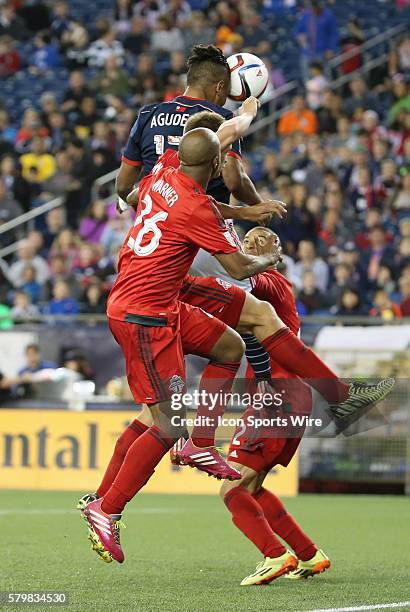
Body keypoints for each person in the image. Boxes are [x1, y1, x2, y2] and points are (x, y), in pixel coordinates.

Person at [81, 127, 281, 564]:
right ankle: (105, 508)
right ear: (211, 165)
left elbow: (159, 197)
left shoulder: (163, 172)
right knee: (168, 422)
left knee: (230, 347)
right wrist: (268, 258)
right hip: (143, 316)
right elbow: (239, 266)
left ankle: (200, 442)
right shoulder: (194, 206)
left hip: (157, 299)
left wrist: (246, 207)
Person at [220, 227, 330, 585]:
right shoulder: (269, 287)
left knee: (232, 487)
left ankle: (274, 555)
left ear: (277, 251)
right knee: (252, 488)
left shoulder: (270, 281)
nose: (249, 245)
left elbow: (240, 277)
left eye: (259, 241)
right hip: (287, 394)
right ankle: (309, 555)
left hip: (277, 395)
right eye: (246, 241)